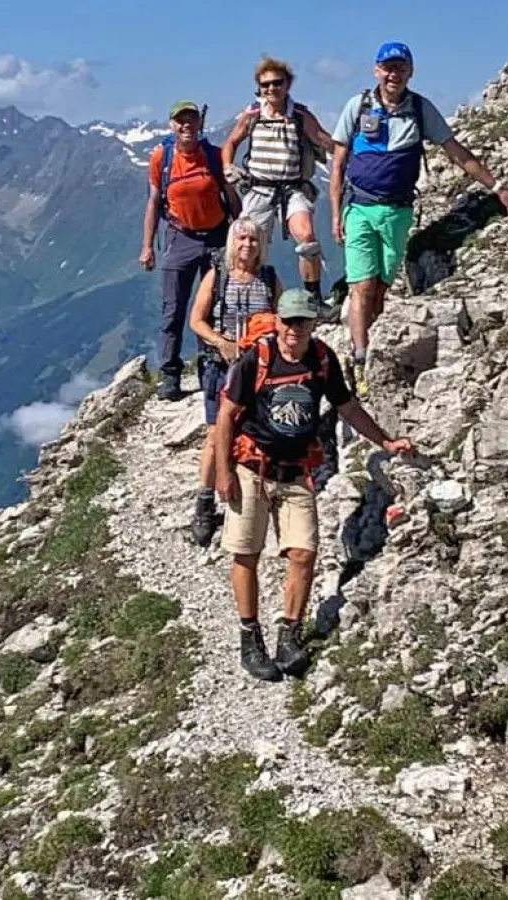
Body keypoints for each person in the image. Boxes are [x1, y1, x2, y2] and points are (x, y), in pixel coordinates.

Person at [212, 289, 414, 681]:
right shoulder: (257, 359)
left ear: (312, 324)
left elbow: (348, 407)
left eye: (302, 322)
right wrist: (223, 473)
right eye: (288, 321)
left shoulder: (322, 359)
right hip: (251, 467)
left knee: (303, 553)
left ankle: (290, 632)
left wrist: (386, 441)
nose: (294, 329)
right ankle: (250, 637)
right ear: (278, 322)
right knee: (246, 553)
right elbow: (225, 416)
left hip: (297, 469)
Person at [329, 40, 508, 394]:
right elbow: (339, 162)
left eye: (400, 67)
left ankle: (369, 347)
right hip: (358, 207)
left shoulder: (421, 110)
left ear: (410, 71)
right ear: (376, 71)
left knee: (380, 289)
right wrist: (335, 214)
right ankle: (361, 360)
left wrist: (497, 188)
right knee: (361, 287)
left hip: (398, 212)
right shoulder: (357, 106)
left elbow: (455, 152)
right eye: (387, 68)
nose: (393, 74)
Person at [186, 216, 281, 548]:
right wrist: (220, 342)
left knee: (253, 428)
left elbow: (282, 320)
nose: (247, 245)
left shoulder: (269, 279)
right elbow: (196, 321)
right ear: (232, 244)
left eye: (253, 240)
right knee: (215, 434)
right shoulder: (218, 277)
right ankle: (205, 500)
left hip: (258, 368)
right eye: (241, 239)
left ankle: (257, 491)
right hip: (220, 367)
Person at [142, 100, 243, 401]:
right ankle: (170, 376)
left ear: (200, 124)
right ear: (172, 126)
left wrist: (241, 232)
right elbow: (153, 201)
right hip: (180, 237)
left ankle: (210, 370)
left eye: (192, 120)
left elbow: (230, 194)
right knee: (173, 309)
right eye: (180, 121)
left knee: (215, 307)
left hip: (216, 236)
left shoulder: (212, 156)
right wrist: (147, 246)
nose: (186, 125)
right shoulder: (162, 158)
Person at [221, 57, 336, 301]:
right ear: (259, 88)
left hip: (293, 189)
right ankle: (245, 299)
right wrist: (227, 167)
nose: (271, 89)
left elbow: (323, 141)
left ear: (287, 84)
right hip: (259, 189)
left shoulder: (301, 115)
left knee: (307, 239)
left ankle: (313, 299)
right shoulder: (251, 116)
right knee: (246, 247)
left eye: (277, 83)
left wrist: (351, 152)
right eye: (266, 85)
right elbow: (230, 142)